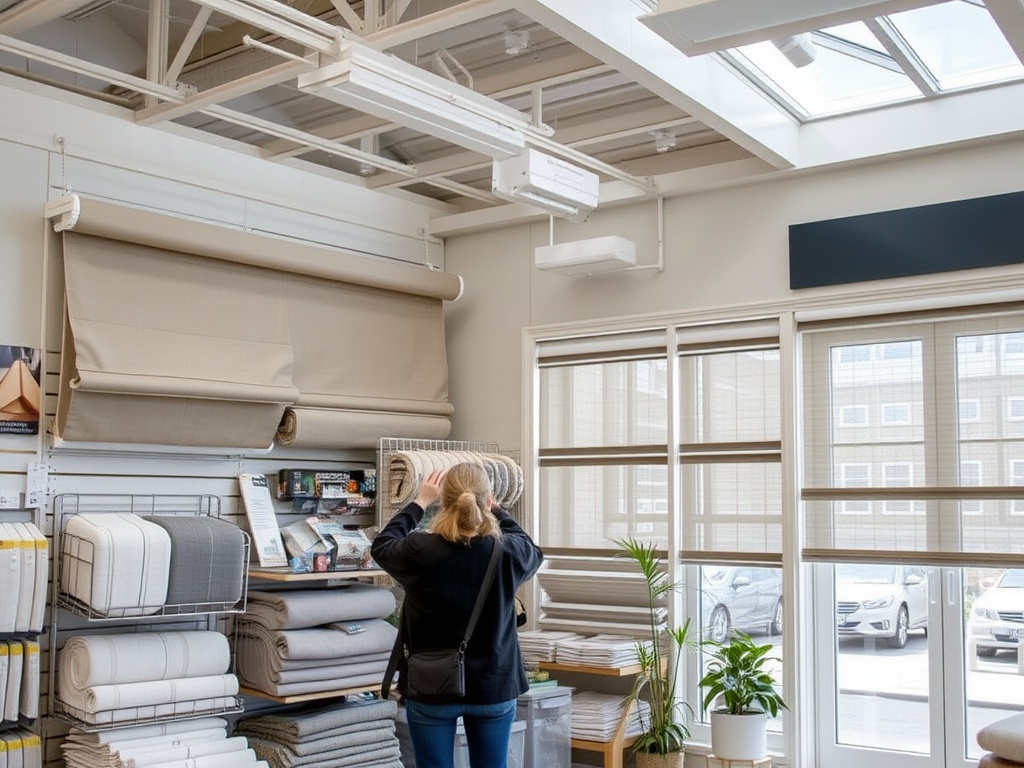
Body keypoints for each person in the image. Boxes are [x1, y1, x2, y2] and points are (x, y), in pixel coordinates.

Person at [371, 463, 543, 768]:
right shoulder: (508, 552)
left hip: (431, 684)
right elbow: (532, 549)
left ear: (444, 501)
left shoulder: (419, 549)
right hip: (494, 684)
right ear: (487, 499)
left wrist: (419, 501)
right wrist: (499, 511)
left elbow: (382, 545)